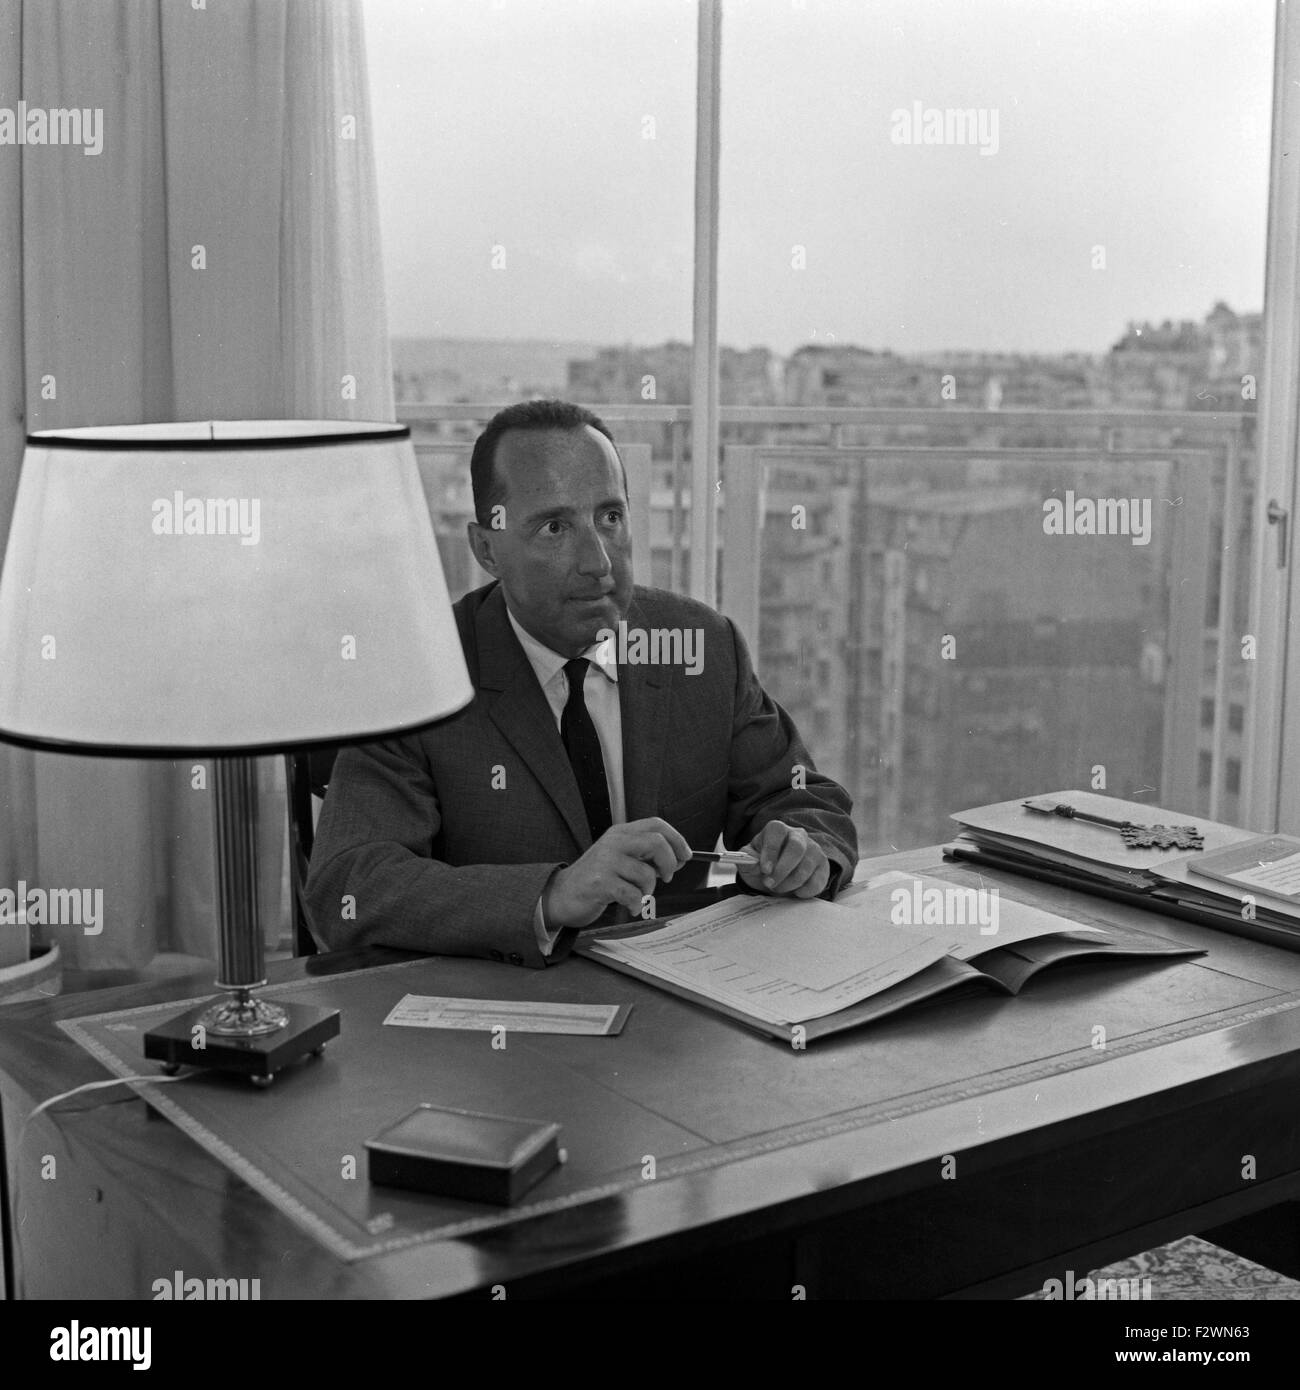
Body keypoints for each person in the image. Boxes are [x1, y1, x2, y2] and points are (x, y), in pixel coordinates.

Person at [305, 399, 858, 966]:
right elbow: (348, 886)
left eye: (610, 518)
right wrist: (552, 895)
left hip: (685, 1012)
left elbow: (800, 796)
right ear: (487, 549)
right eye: (554, 527)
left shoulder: (701, 645)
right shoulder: (422, 671)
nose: (599, 562)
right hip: (504, 1018)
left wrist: (802, 850)